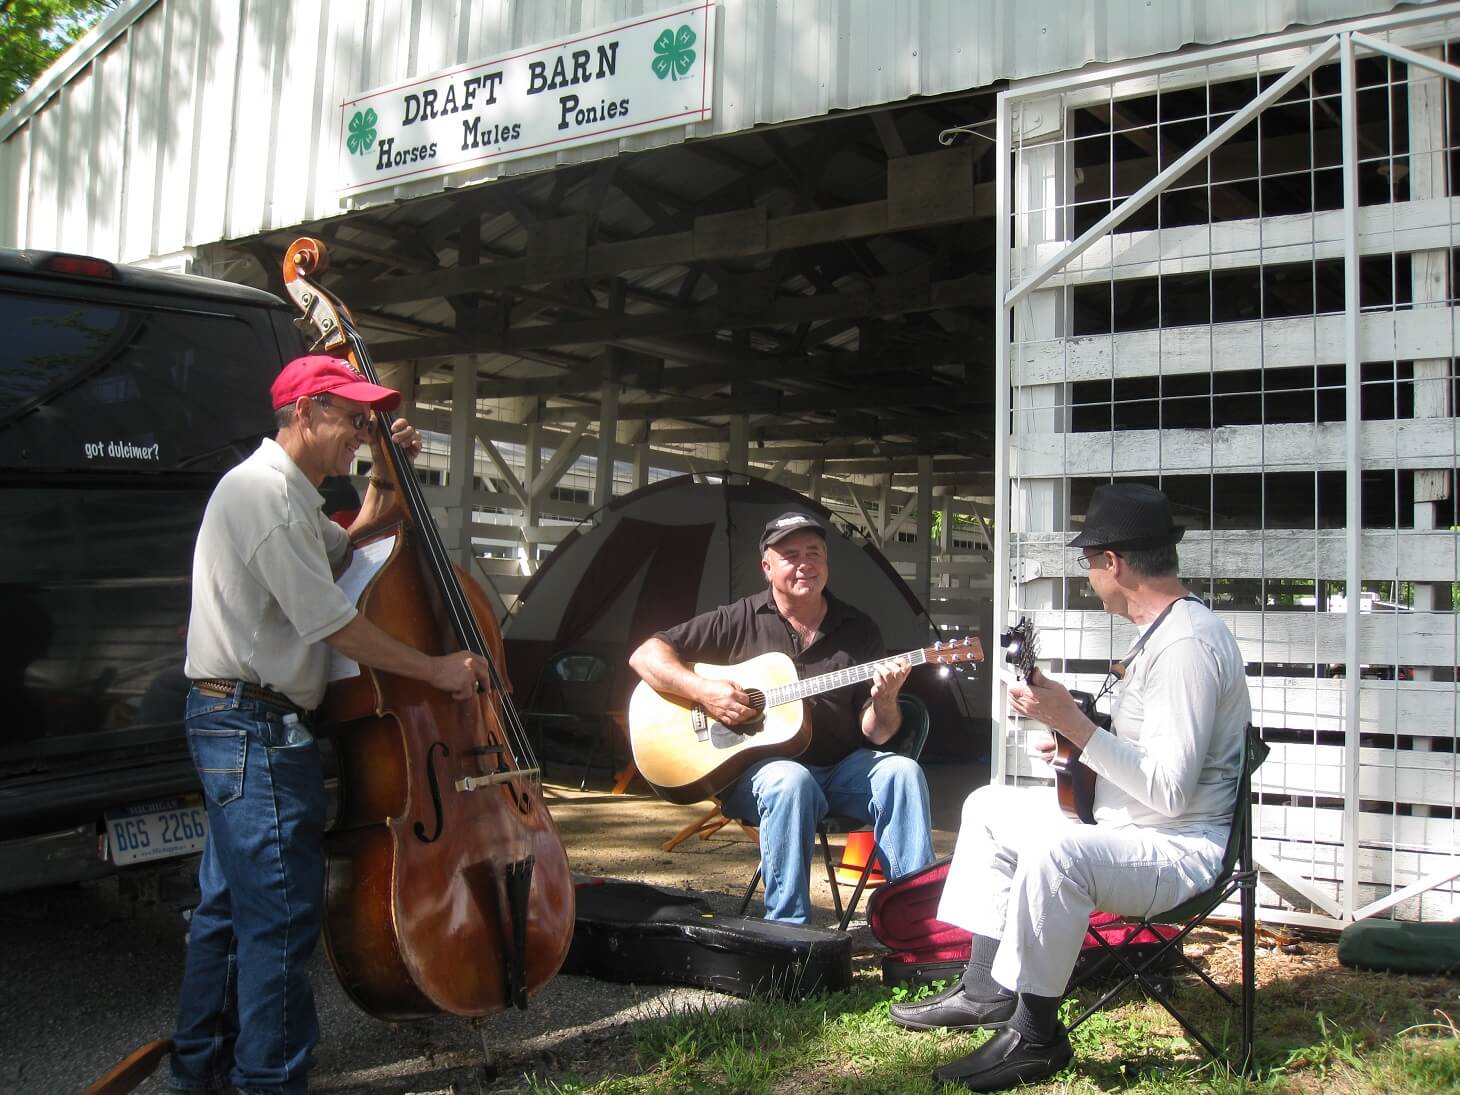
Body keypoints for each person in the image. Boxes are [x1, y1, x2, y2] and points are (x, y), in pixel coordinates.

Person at [169, 355, 494, 1095]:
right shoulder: (265, 496)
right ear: (307, 413)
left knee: (228, 912)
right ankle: (267, 1082)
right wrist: (436, 668)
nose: (358, 431)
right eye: (351, 419)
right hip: (253, 726)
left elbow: (359, 544)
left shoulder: (289, 496)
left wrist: (386, 468)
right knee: (281, 921)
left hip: (239, 723)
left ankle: (198, 1072)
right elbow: (335, 621)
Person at [888, 483, 1250, 1092]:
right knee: (988, 806)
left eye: (1090, 563)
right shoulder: (1161, 632)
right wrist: (1074, 744)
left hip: (1177, 848)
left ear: (1115, 563)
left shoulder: (1186, 646)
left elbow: (1169, 792)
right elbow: (1144, 754)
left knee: (1058, 853)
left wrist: (1074, 726)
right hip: (1128, 826)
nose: (1088, 578)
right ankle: (985, 990)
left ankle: (1037, 1037)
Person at [628, 510, 934, 924]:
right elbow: (645, 654)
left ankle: (917, 924)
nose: (805, 563)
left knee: (902, 772)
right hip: (756, 777)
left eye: (815, 553)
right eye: (791, 555)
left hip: (840, 770)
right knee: (791, 780)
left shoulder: (858, 629)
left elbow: (876, 734)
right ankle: (786, 934)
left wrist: (885, 701)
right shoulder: (737, 619)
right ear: (767, 567)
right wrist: (705, 692)